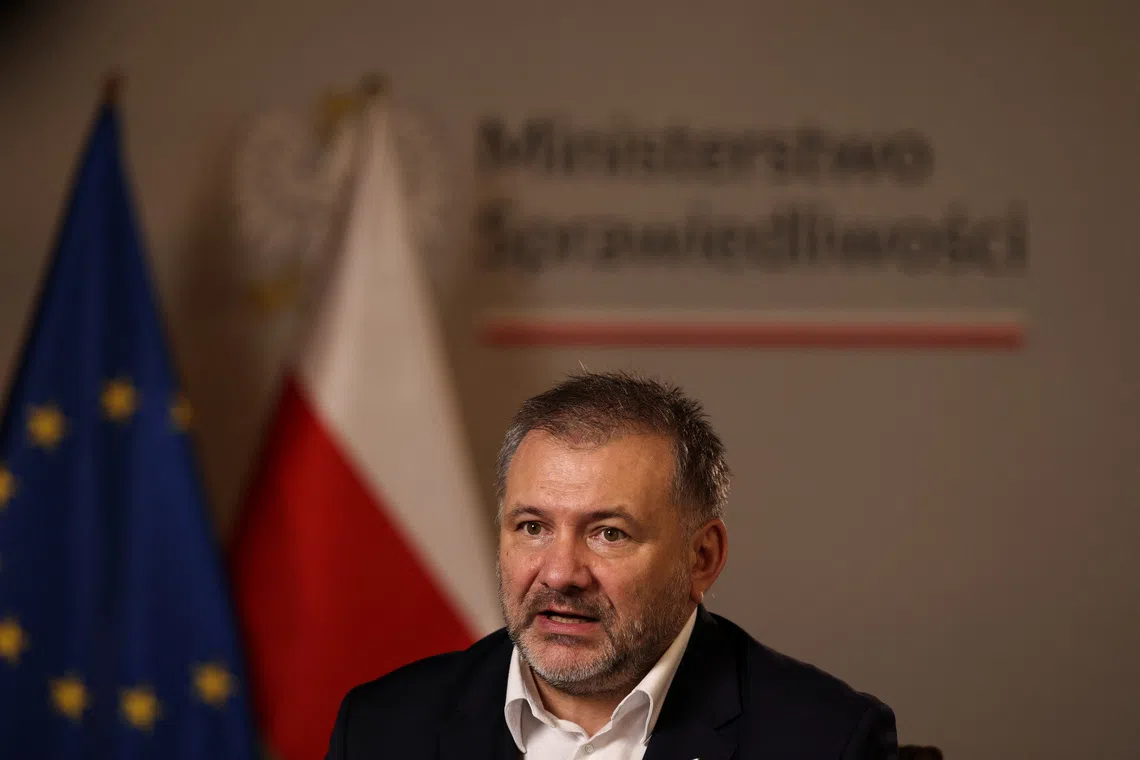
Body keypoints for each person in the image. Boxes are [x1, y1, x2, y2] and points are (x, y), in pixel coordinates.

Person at [325, 371, 897, 760]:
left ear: (702, 558)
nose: (559, 574)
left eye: (609, 534)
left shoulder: (827, 741)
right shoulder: (382, 729)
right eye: (533, 527)